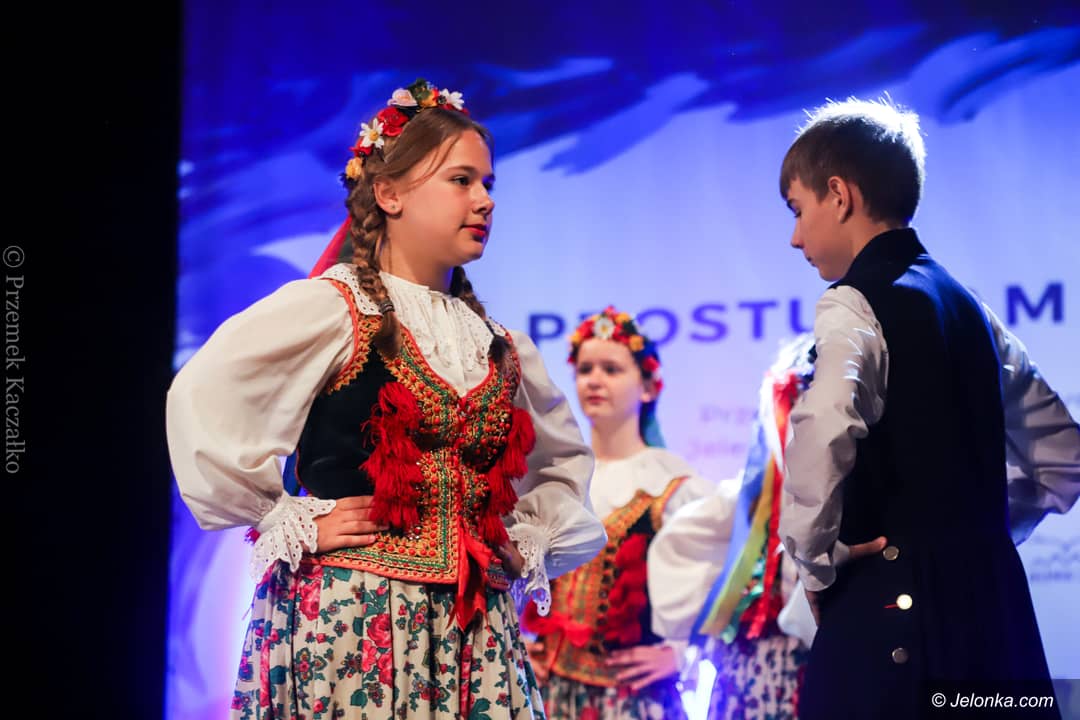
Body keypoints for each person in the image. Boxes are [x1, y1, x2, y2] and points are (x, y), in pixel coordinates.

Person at [166, 78, 607, 719]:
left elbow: (563, 465)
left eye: (488, 184)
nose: (484, 200)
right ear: (389, 193)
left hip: (475, 632)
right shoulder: (333, 309)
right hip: (351, 619)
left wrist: (528, 543)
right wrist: (287, 518)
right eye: (461, 180)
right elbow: (202, 397)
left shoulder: (500, 346)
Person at [775, 97, 1080, 719]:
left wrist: (817, 565)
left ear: (839, 195)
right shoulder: (970, 307)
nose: (795, 237)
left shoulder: (854, 303)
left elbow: (822, 431)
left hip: (893, 623)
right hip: (995, 620)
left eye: (798, 210)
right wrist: (976, 534)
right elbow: (1065, 459)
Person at [521, 306, 714, 720]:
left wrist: (682, 652)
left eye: (611, 369)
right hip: (552, 693)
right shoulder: (556, 474)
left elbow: (717, 583)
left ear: (648, 387)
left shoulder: (673, 484)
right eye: (585, 369)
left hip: (632, 699)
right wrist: (518, 640)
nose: (594, 380)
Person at [647, 333, 816, 720]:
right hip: (746, 666)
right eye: (792, 406)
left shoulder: (850, 500)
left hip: (815, 664)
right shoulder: (751, 499)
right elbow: (683, 543)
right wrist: (682, 642)